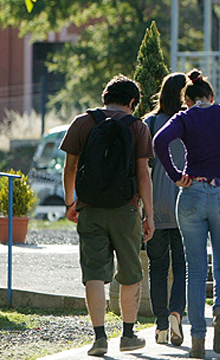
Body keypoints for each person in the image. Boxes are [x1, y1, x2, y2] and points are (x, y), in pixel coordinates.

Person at [153, 69, 220, 358]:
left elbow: (159, 142)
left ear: (186, 101)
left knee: (194, 269)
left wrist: (176, 175)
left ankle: (198, 338)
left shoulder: (184, 118)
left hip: (192, 194)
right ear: (211, 96)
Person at [61, 75, 155, 356]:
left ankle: (99, 338)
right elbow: (142, 174)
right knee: (130, 272)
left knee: (93, 273)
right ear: (132, 102)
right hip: (126, 210)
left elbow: (70, 167)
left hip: (89, 208)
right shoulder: (138, 127)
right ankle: (128, 334)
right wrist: (149, 215)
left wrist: (71, 203)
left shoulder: (82, 122)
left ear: (105, 97)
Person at [143, 73, 188, 346]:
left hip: (156, 205)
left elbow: (142, 168)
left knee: (158, 268)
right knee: (182, 266)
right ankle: (175, 314)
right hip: (187, 204)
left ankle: (160, 325)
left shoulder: (150, 123)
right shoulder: (190, 122)